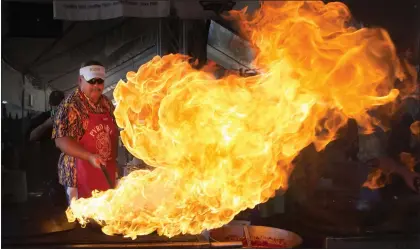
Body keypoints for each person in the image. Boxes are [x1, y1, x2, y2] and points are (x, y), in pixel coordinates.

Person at [52, 60, 118, 203]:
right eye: (91, 81)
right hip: (78, 175)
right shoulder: (70, 105)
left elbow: (114, 131)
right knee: (85, 220)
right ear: (80, 80)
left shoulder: (106, 103)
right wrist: (89, 156)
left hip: (105, 171)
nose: (96, 86)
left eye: (100, 81)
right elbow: (61, 141)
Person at [26, 91, 66, 204]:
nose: (58, 108)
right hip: (50, 169)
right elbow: (31, 136)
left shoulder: (71, 118)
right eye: (55, 104)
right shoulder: (44, 117)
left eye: (60, 104)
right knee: (52, 204)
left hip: (68, 168)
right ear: (50, 104)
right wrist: (46, 125)